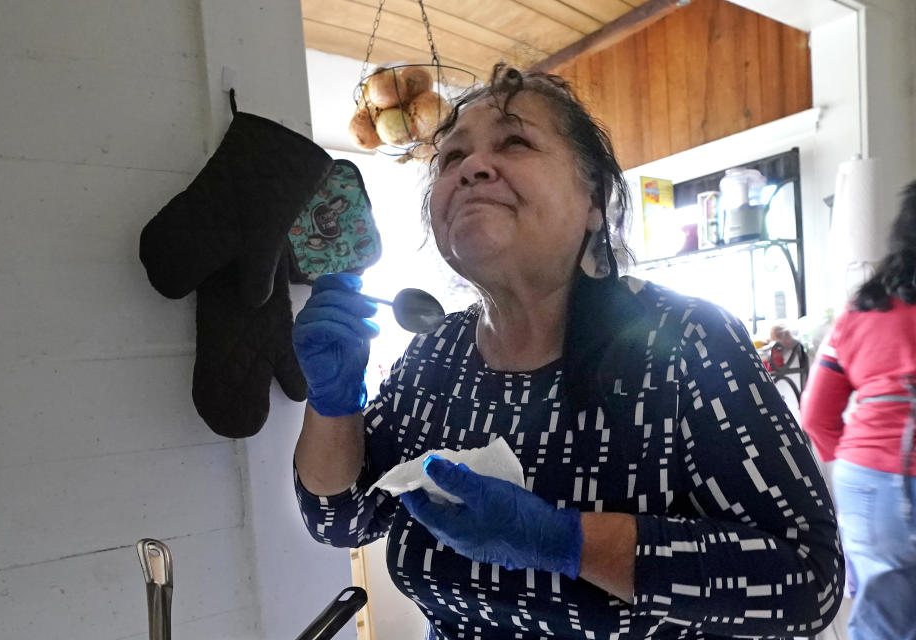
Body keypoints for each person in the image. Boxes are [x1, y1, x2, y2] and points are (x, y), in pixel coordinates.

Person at [292, 64, 843, 639]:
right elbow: (340, 519)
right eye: (452, 159)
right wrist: (332, 404)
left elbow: (809, 580)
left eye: (515, 141)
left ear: (595, 199)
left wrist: (564, 540)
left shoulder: (687, 342)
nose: (473, 168)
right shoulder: (434, 357)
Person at [800, 180, 916, 640]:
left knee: (882, 619)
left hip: (865, 482)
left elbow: (815, 416)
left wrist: (858, 461)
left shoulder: (861, 310)